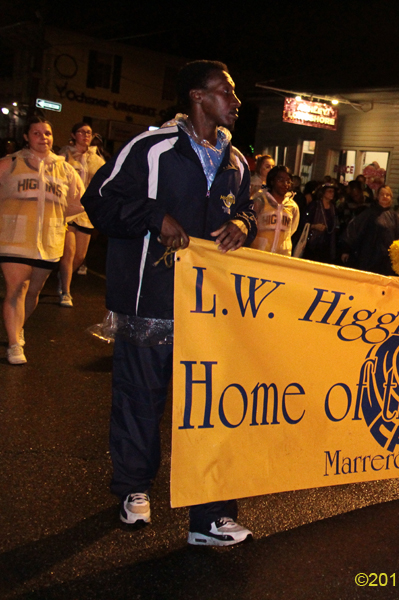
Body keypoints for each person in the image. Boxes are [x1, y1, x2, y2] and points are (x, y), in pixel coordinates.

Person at [82, 60, 256, 546]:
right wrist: (154, 217)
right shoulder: (150, 148)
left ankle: (211, 517)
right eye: (225, 91)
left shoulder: (237, 160)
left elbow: (242, 210)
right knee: (141, 400)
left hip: (210, 308)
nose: (235, 101)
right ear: (197, 97)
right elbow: (100, 200)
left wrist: (245, 225)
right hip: (149, 300)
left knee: (211, 408)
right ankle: (135, 489)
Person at [1, 117, 85, 364]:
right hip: (13, 239)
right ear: (26, 137)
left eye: (47, 133)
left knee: (33, 291)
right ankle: (14, 344)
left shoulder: (65, 169)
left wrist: (55, 218)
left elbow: (78, 202)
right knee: (15, 289)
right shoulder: (9, 164)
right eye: (36, 133)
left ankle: (18, 327)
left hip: (48, 241)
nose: (43, 138)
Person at [58, 122, 107, 307]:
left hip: (86, 213)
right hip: (69, 211)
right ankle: (66, 292)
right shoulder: (64, 155)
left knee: (79, 256)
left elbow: (104, 182)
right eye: (82, 132)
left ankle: (63, 279)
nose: (86, 135)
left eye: (89, 132)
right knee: (68, 254)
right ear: (73, 135)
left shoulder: (97, 159)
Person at [340, 185, 399, 275]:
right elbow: (354, 229)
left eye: (387, 195)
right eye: (382, 194)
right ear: (377, 196)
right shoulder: (368, 213)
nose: (385, 197)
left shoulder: (395, 217)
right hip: (369, 258)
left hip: (387, 261)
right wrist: (346, 249)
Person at [251, 165, 301, 256]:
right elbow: (250, 226)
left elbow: (292, 229)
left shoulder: (293, 207)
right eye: (280, 180)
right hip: (259, 254)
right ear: (272, 181)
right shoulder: (260, 201)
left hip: (282, 257)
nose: (285, 184)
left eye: (288, 181)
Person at [304, 182, 338, 263]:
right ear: (323, 192)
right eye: (329, 191)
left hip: (328, 243)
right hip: (314, 242)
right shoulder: (314, 205)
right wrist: (314, 226)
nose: (332, 194)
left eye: (333, 192)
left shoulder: (333, 208)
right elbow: (305, 221)